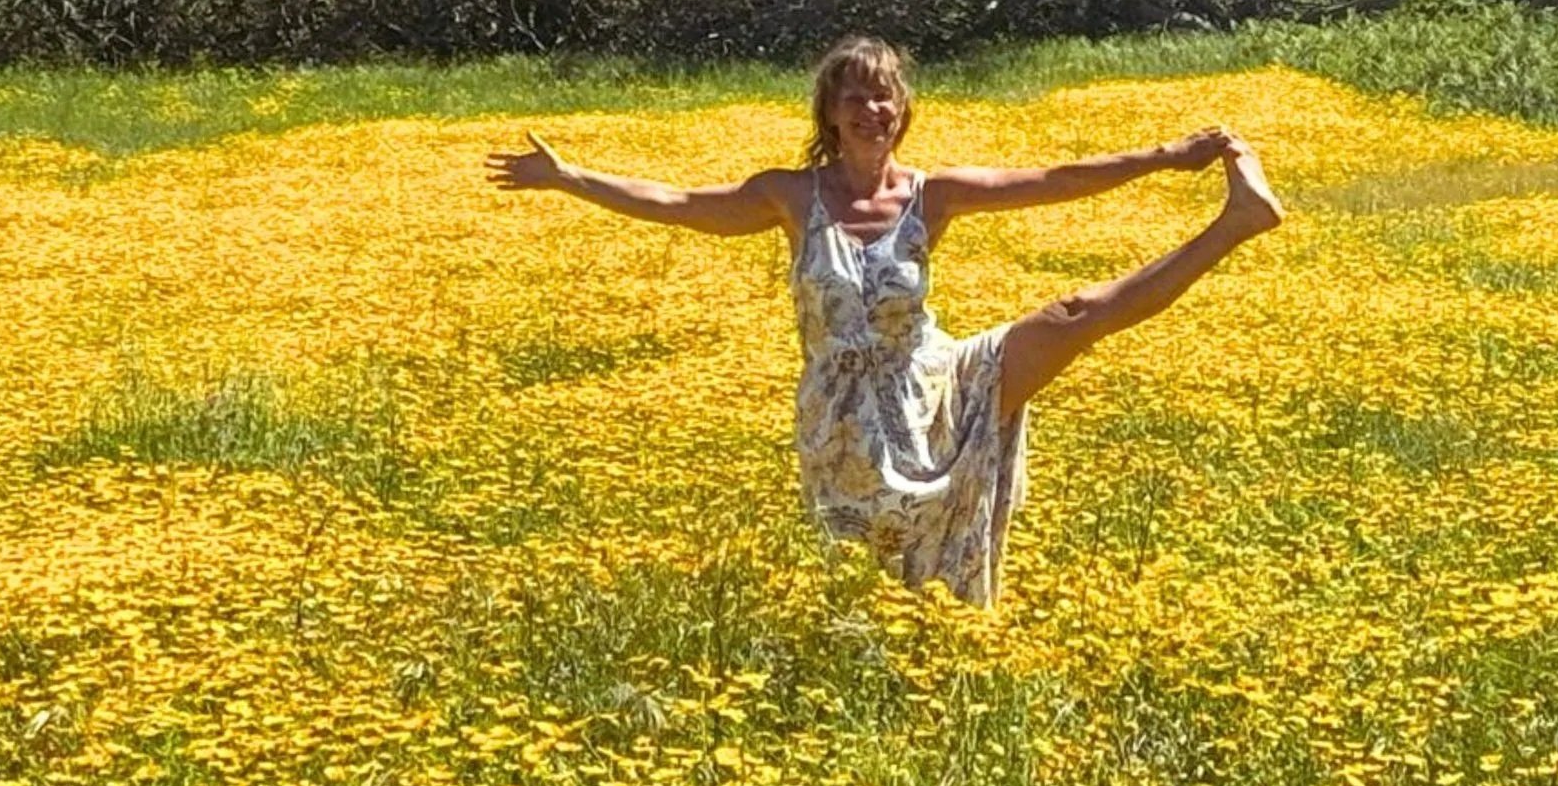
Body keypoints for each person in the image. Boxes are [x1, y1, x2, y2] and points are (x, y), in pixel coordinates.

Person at [484, 35, 1283, 604]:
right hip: (841, 418)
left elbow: (1053, 178)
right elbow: (680, 202)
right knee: (871, 569)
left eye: (884, 94)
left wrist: (1164, 156)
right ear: (829, 112)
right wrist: (569, 176)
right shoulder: (789, 195)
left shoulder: (931, 195)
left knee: (1072, 316)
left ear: (902, 109)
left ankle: (1234, 222)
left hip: (932, 384)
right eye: (855, 95)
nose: (873, 108)